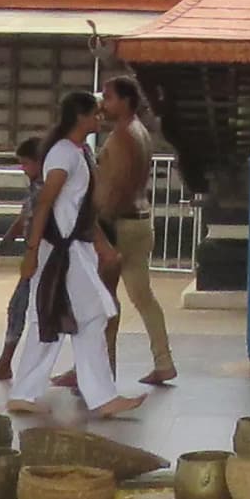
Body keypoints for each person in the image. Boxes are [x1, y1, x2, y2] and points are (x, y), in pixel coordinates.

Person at [9, 92, 133, 421]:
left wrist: (101, 245)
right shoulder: (64, 153)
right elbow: (46, 204)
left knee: (50, 319)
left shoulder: (80, 152)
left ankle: (25, 392)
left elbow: (80, 210)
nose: (100, 117)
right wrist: (32, 252)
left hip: (70, 247)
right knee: (88, 316)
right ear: (80, 117)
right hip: (59, 249)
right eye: (95, 113)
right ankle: (101, 397)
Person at [90, 75, 178, 389]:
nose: (104, 103)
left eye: (109, 97)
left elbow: (122, 183)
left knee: (102, 299)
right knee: (142, 296)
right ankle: (163, 361)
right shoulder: (139, 132)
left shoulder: (125, 135)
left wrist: (103, 222)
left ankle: (98, 367)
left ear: (125, 100)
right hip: (139, 219)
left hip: (120, 221)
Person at [0, 131, 53, 383]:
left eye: (26, 163)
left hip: (43, 258)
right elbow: (23, 220)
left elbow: (31, 221)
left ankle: (7, 363)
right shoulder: (37, 188)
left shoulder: (46, 190)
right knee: (24, 308)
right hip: (39, 257)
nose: (23, 168)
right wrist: (1, 246)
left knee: (21, 308)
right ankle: (6, 363)